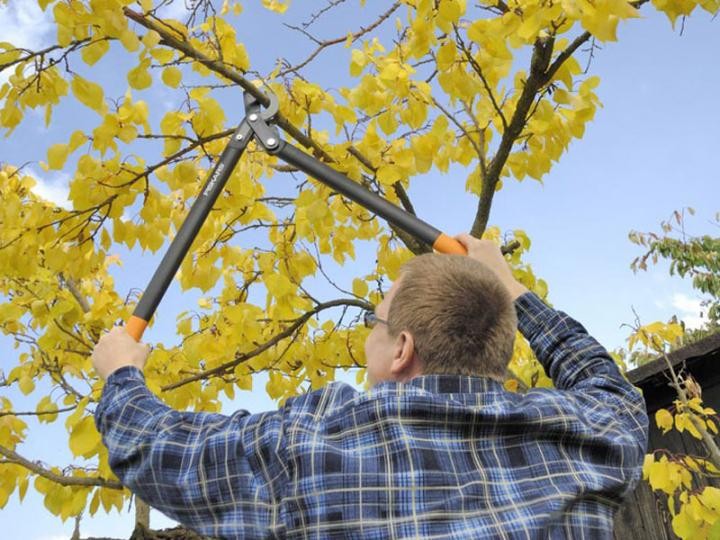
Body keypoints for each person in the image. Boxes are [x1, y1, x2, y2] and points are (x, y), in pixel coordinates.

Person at [92, 234, 648, 539]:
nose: (368, 335)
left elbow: (151, 447)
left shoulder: (313, 445)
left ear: (402, 349)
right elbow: (604, 381)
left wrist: (121, 373)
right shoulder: (583, 438)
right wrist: (511, 287)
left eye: (373, 321)